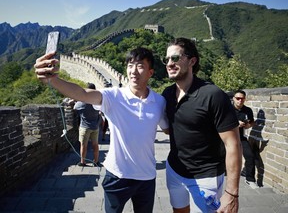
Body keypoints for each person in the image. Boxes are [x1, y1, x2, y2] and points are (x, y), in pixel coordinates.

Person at [34, 47, 169, 213]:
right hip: (117, 175)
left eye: (140, 66)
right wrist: (53, 80)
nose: (133, 71)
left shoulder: (159, 102)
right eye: (130, 65)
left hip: (147, 177)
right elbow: (83, 93)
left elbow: (170, 130)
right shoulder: (113, 96)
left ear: (150, 72)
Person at [162, 37, 242, 213]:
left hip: (206, 177)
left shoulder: (213, 95)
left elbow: (233, 144)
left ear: (192, 61)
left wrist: (232, 193)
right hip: (175, 171)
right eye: (166, 59)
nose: (169, 63)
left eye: (175, 58)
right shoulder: (167, 94)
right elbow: (170, 129)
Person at [232, 90, 257, 189]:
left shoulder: (248, 110)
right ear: (234, 99)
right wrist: (236, 124)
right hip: (227, 137)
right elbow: (220, 124)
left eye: (242, 98)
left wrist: (248, 124)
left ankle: (250, 179)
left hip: (240, 137)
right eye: (237, 98)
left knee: (250, 156)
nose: (240, 100)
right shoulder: (227, 109)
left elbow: (249, 125)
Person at [73, 82, 101, 167]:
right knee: (95, 145)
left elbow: (75, 108)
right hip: (95, 127)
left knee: (83, 145)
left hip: (85, 127)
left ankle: (82, 161)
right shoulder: (97, 102)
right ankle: (96, 161)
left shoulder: (83, 102)